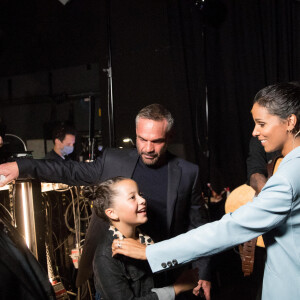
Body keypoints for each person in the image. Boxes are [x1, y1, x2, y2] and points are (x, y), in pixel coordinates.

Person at [0, 104, 211, 299]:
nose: (147, 148)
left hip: (165, 274)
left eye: (156, 141)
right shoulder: (114, 160)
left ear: (170, 137)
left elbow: (199, 227)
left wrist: (203, 271)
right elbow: (69, 170)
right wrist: (20, 167)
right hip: (117, 272)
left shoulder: (188, 173)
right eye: (141, 139)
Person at [111, 83, 300, 300]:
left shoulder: (287, 178)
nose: (255, 132)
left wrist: (150, 252)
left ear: (290, 121)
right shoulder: (290, 166)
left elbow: (229, 229)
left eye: (261, 124)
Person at [86, 176, 198, 300]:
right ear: (112, 213)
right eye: (132, 197)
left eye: (140, 194)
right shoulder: (106, 255)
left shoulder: (148, 237)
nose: (143, 200)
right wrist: (176, 288)